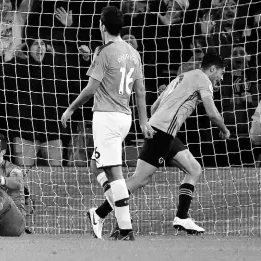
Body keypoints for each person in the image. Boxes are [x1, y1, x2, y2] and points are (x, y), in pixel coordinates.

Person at [89, 53, 230, 238]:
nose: (221, 78)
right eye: (221, 73)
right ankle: (99, 214)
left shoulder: (184, 76)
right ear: (212, 69)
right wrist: (225, 130)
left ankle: (181, 217)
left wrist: (158, 122)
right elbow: (212, 113)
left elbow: (155, 106)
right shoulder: (203, 80)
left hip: (163, 130)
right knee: (140, 179)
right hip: (162, 132)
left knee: (194, 169)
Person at [61, 6, 152, 241]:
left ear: (102, 26)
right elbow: (140, 91)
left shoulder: (104, 52)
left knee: (115, 173)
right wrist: (143, 121)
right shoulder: (133, 53)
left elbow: (91, 88)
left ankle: (125, 230)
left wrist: (71, 108)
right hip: (125, 118)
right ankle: (99, 215)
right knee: (96, 165)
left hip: (106, 117)